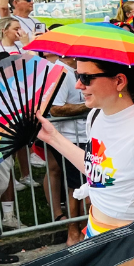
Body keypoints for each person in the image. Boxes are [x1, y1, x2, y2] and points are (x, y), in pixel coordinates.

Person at [37, 60, 134, 237]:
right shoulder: (95, 115)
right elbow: (95, 169)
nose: (78, 85)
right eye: (78, 76)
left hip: (127, 242)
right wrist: (52, 137)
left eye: (86, 78)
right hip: (94, 231)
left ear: (119, 81)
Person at [48, 55, 90, 247]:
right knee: (76, 186)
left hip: (85, 136)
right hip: (70, 137)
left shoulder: (79, 70)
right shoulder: (61, 73)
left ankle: (84, 229)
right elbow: (55, 109)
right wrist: (87, 106)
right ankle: (73, 233)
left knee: (88, 183)